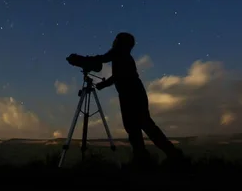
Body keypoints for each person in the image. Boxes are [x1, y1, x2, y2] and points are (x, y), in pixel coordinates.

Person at [67, 32, 184, 167]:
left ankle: (170, 155)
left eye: (116, 40)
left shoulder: (118, 53)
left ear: (121, 43)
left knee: (143, 126)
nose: (114, 41)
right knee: (138, 127)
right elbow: (117, 75)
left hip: (131, 95)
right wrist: (103, 84)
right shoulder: (124, 56)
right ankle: (147, 158)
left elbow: (104, 59)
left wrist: (82, 60)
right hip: (133, 94)